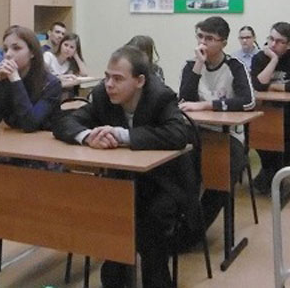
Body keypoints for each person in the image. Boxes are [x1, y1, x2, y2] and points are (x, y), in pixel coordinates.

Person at [53, 46, 200, 288]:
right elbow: (64, 122)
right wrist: (87, 136)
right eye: (107, 76)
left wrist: (122, 135)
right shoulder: (102, 95)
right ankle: (116, 276)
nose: (109, 84)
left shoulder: (160, 96)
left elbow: (178, 134)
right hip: (122, 181)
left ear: (140, 80)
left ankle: (156, 280)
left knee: (148, 224)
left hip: (165, 183)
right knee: (111, 217)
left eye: (118, 79)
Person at [0, 26, 62, 288]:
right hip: (9, 159)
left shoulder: (51, 84)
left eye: (16, 48)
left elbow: (30, 123)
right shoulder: (4, 79)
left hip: (43, 164)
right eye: (6, 48)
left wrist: (15, 81)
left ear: (33, 53)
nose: (8, 54)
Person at [178, 16, 256, 227]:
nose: (203, 43)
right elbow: (183, 101)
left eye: (210, 38)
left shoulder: (235, 66)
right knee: (179, 166)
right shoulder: (191, 66)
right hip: (196, 132)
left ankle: (196, 228)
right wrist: (198, 65)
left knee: (223, 173)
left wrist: (207, 105)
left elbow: (248, 101)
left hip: (229, 135)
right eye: (200, 36)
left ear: (224, 42)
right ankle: (182, 221)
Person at [250, 22, 290, 195]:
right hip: (267, 110)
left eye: (279, 41)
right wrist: (273, 60)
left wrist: (273, 86)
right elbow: (258, 85)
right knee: (257, 136)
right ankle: (272, 170)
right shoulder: (260, 57)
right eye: (271, 39)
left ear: (289, 44)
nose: (273, 44)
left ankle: (278, 169)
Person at [43, 33, 88, 98]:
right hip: (47, 94)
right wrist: (60, 77)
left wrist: (76, 56)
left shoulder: (69, 63)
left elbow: (84, 74)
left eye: (71, 47)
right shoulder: (48, 56)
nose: (67, 49)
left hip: (62, 95)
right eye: (65, 45)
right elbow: (42, 75)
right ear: (60, 44)